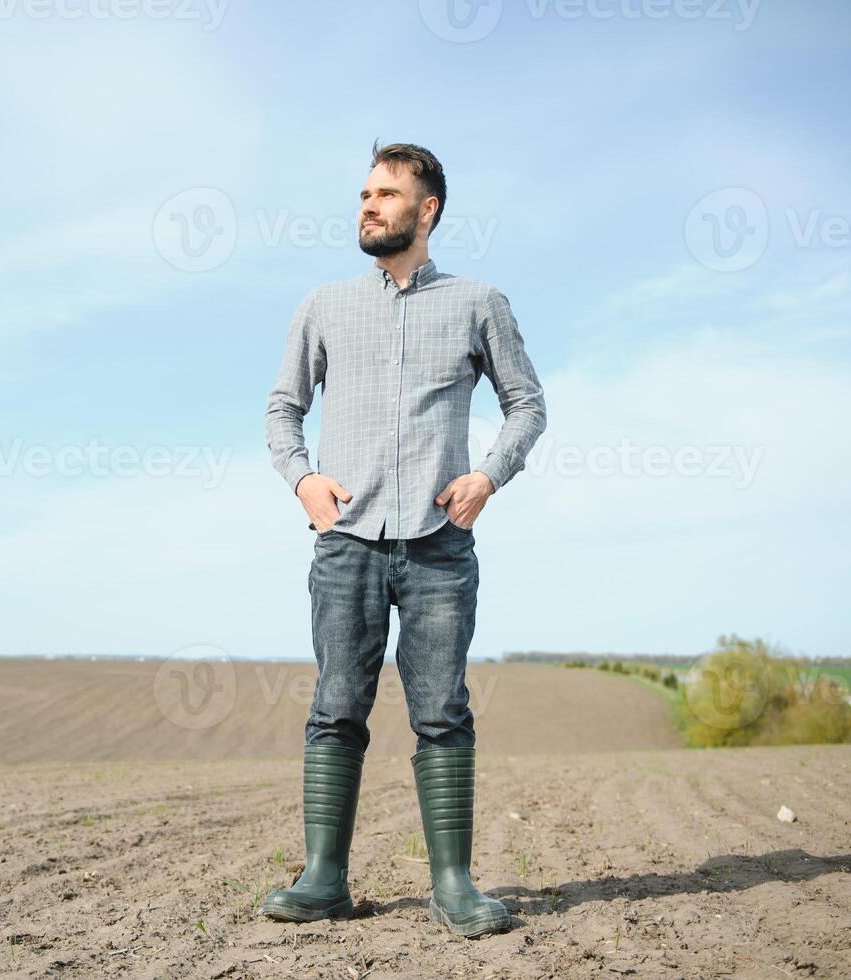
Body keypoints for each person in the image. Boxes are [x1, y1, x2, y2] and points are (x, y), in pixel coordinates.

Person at [259, 140, 546, 938]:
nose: (367, 206)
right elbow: (282, 408)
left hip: (435, 545)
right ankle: (323, 879)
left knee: (442, 713)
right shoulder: (322, 305)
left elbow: (527, 404)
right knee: (334, 709)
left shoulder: (477, 302)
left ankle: (453, 885)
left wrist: (487, 477)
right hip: (346, 542)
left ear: (427, 210)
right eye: (362, 193)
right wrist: (304, 480)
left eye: (385, 194)